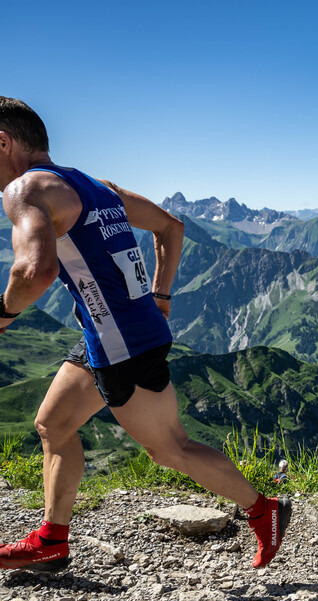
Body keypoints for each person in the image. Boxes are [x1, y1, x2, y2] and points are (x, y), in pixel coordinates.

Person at [0, 97, 290, 573]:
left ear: (4, 141)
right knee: (53, 424)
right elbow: (171, 227)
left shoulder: (26, 189)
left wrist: (3, 314)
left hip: (122, 344)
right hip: (111, 333)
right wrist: (161, 295)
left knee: (169, 448)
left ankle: (265, 512)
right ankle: (52, 540)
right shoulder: (95, 185)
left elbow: (35, 269)